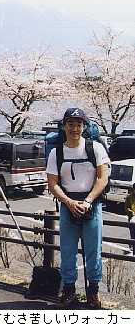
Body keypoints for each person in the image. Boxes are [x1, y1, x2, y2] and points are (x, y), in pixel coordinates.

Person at [46, 107, 109, 309]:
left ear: (84, 126)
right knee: (68, 251)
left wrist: (88, 201)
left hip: (92, 205)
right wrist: (69, 202)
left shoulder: (95, 148)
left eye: (79, 124)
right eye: (71, 124)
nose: (75, 128)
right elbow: (52, 183)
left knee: (93, 251)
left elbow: (102, 178)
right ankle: (69, 291)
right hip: (68, 205)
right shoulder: (56, 152)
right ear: (64, 126)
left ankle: (93, 293)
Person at [124, 186, 135, 255]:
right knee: (133, 234)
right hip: (132, 219)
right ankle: (133, 247)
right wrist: (131, 212)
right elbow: (126, 208)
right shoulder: (129, 197)